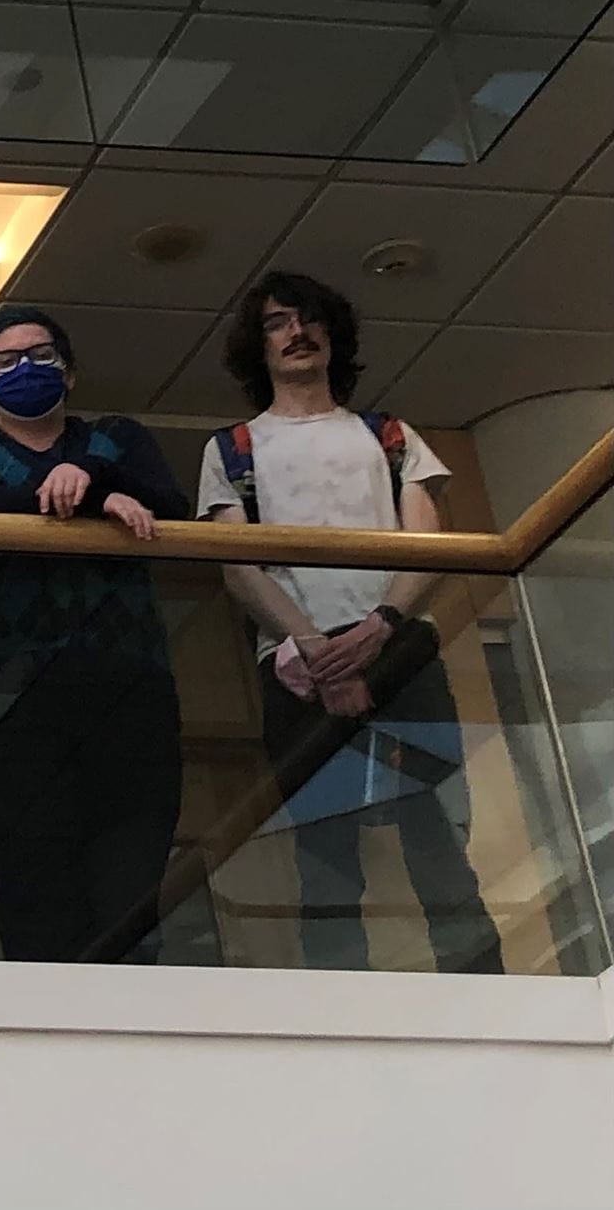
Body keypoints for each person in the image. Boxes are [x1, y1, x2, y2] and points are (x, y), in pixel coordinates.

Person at [198, 272, 502, 973]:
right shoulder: (234, 447)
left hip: (400, 650)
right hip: (296, 667)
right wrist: (314, 646)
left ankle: (484, 989)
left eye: (309, 320)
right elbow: (235, 563)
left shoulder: (390, 435)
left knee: (436, 830)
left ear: (333, 336)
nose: (296, 332)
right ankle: (342, 1004)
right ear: (259, 344)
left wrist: (380, 627)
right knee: (323, 847)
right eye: (277, 322)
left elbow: (428, 542)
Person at [0, 307, 183, 963]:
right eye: (5, 362)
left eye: (41, 355)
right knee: (33, 875)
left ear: (70, 373)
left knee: (130, 878)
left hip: (126, 686)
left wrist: (100, 477)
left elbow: (172, 507)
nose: (25, 369)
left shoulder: (117, 439)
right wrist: (88, 499)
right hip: (1, 693)